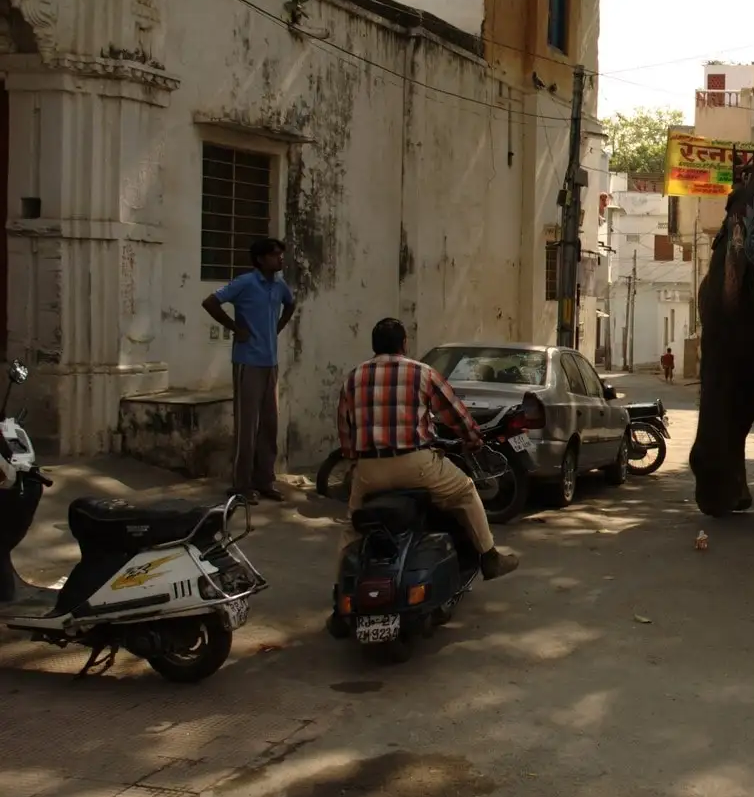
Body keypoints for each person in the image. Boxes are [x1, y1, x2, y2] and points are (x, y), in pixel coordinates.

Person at [335, 318, 519, 581]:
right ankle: (489, 557)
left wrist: (355, 462)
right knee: (466, 490)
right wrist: (474, 440)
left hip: (369, 469)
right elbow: (456, 415)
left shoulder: (353, 378)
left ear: (374, 346)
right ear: (404, 344)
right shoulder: (421, 373)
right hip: (416, 465)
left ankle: (341, 593)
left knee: (352, 526)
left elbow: (345, 430)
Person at [202, 238, 296, 504]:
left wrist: (277, 327)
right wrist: (235, 328)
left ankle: (264, 480)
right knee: (247, 426)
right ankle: (241, 485)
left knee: (269, 424)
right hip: (248, 362)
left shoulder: (279, 285)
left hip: (270, 363)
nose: (280, 259)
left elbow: (290, 304)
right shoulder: (245, 283)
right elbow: (210, 302)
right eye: (275, 255)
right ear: (260, 259)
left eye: (281, 255)